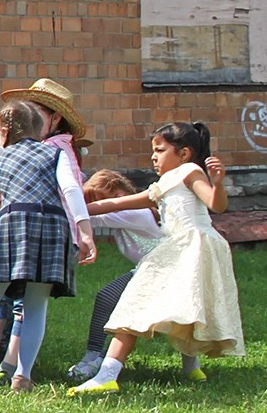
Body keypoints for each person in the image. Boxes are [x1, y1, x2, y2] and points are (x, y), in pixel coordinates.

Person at [68, 123, 244, 396]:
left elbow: (216, 204)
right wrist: (75, 209)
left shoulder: (190, 171)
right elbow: (115, 204)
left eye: (160, 150)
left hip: (190, 248)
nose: (153, 157)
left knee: (135, 306)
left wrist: (218, 182)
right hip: (179, 249)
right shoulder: (164, 184)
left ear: (184, 153)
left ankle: (106, 376)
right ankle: (189, 368)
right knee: (181, 308)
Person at [0, 101, 97, 393]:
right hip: (51, 226)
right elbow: (71, 189)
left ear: (6, 131)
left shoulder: (1, 158)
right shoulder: (56, 154)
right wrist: (85, 232)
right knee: (36, 303)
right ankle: (22, 376)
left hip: (12, 223)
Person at [0, 78, 91, 380]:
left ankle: (11, 366)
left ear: (55, 119)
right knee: (18, 297)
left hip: (47, 230)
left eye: (36, 113)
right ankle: (5, 362)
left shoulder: (51, 148)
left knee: (25, 299)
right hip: (40, 226)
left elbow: (69, 190)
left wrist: (84, 231)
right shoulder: (56, 147)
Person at [66, 170, 201, 382]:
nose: (101, 204)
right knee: (176, 316)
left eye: (101, 199)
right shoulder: (127, 217)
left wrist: (68, 205)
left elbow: (93, 218)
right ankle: (192, 367)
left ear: (119, 192)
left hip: (162, 272)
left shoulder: (137, 213)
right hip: (154, 271)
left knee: (108, 299)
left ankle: (93, 358)